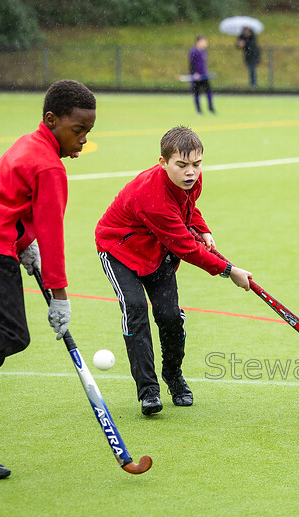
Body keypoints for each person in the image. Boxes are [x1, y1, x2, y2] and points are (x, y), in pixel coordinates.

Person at [0, 80, 96, 479]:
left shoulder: (29, 142)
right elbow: (53, 233)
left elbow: (5, 196)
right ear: (51, 120)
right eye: (77, 130)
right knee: (13, 335)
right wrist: (60, 295)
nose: (83, 139)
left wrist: (21, 240)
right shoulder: (50, 166)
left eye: (88, 132)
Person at [95, 126, 252, 415]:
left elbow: (187, 208)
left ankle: (174, 377)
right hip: (120, 251)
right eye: (181, 165)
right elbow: (185, 248)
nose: (191, 172)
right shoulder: (151, 197)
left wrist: (203, 229)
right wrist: (229, 270)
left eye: (197, 164)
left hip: (156, 251)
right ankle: (148, 391)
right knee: (136, 309)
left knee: (168, 315)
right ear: (163, 162)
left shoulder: (191, 180)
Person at [188, 35, 214, 114]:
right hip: (196, 76)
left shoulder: (204, 51)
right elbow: (191, 64)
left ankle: (210, 108)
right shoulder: (193, 51)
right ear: (198, 42)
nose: (206, 43)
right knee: (196, 93)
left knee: (209, 92)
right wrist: (194, 73)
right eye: (204, 42)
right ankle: (198, 110)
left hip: (204, 75)